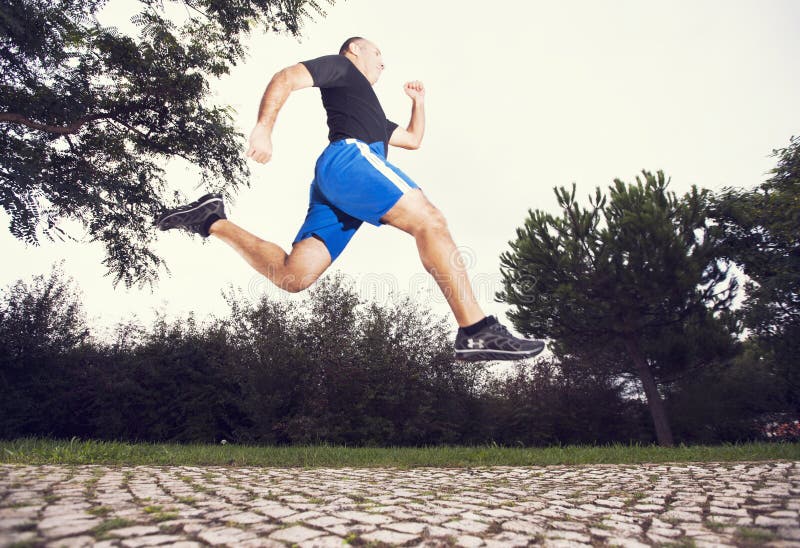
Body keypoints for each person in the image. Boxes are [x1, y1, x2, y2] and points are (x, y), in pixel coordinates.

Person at [156, 37, 544, 361]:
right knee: (431, 221)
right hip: (349, 160)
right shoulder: (341, 68)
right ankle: (476, 329)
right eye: (378, 56)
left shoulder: (369, 109)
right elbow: (286, 77)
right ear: (355, 49)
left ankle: (211, 220)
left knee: (295, 275)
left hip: (342, 182)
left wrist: (419, 104)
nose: (383, 65)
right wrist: (263, 127)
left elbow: (412, 139)